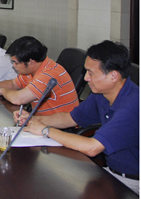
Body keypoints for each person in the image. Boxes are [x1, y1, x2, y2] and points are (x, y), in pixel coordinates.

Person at [18, 41, 138, 193]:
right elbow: (70, 118)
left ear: (113, 76)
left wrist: (45, 130)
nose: (86, 78)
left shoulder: (133, 105)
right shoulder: (102, 93)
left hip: (134, 182)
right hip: (113, 173)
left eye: (91, 73)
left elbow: (92, 147)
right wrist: (34, 120)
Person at [0, 36, 79, 115]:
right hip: (40, 120)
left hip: (59, 128)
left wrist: (1, 90)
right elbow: (13, 84)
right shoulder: (33, 69)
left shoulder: (48, 75)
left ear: (31, 62)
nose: (14, 66)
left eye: (16, 63)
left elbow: (18, 99)